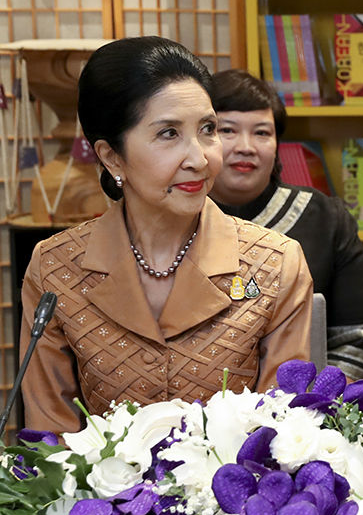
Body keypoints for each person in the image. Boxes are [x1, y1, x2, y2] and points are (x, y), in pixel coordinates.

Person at [19, 37, 313, 435]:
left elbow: (280, 433)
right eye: (168, 134)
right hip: (94, 496)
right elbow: (48, 440)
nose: (199, 158)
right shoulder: (56, 268)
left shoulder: (276, 263)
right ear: (111, 156)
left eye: (207, 130)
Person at [208, 69, 363, 380]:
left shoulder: (327, 218)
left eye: (262, 133)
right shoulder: (175, 218)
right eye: (228, 131)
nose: (246, 146)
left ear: (277, 144)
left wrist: (319, 405)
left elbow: (359, 335)